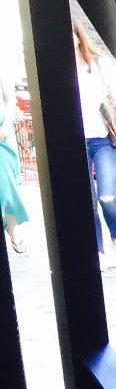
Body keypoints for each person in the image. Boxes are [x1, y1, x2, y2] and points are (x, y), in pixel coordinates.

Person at [74, 19, 116, 267]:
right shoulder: (56, 69)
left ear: (78, 36)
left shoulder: (98, 64)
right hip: (77, 141)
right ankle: (98, 252)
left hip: (103, 139)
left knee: (106, 196)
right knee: (86, 201)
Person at [0, 66, 26, 255]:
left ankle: (13, 229)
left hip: (2, 133)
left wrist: (6, 127)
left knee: (6, 185)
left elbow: (10, 101)